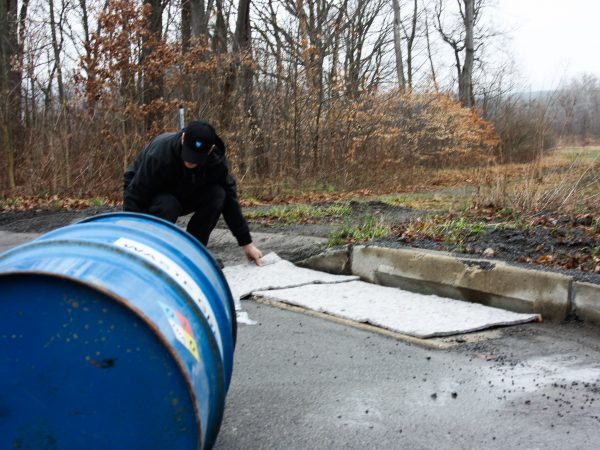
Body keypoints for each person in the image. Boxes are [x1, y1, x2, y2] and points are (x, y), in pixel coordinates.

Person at [123, 120, 263, 265]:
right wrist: (133, 241)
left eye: (196, 158)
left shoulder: (216, 162)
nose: (191, 161)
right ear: (183, 138)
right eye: (188, 154)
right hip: (153, 195)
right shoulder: (159, 155)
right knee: (169, 205)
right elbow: (134, 195)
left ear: (209, 150)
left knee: (218, 194)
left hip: (184, 191)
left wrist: (247, 243)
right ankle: (155, 251)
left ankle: (194, 251)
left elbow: (231, 202)